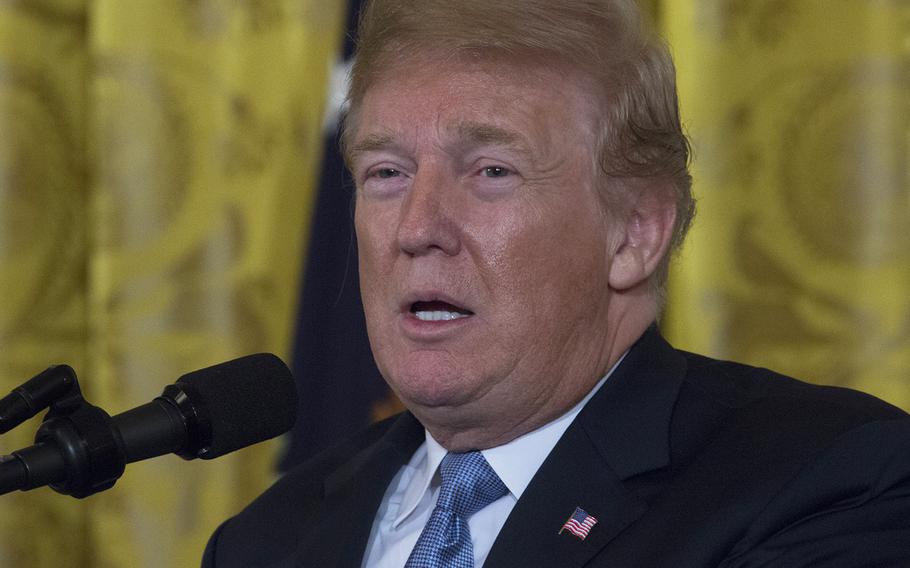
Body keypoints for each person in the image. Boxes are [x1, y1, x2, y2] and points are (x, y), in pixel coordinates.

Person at [203, 0, 910, 566]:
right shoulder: (266, 540)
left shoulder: (827, 482)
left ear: (634, 234)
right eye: (387, 173)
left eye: (490, 171)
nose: (416, 227)